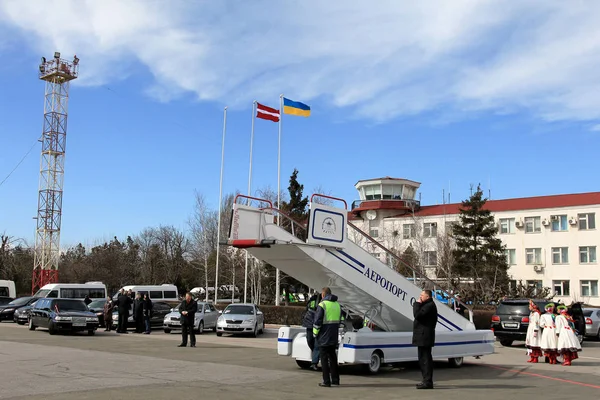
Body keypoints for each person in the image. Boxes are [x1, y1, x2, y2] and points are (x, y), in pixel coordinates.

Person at [313, 287, 342, 388]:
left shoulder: (322, 305)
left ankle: (326, 381)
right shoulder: (338, 305)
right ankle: (335, 380)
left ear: (323, 295)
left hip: (324, 336)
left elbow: (317, 322)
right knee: (333, 358)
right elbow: (339, 321)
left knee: (324, 360)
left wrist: (315, 334)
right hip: (333, 335)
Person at [412, 289, 438, 390]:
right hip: (422, 336)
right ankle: (425, 380)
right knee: (422, 359)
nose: (420, 297)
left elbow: (417, 315)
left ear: (427, 297)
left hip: (425, 336)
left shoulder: (429, 306)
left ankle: (427, 381)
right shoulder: (427, 305)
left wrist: (416, 304)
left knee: (425, 359)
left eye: (422, 295)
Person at [303, 291, 322, 371]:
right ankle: (316, 356)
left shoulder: (324, 302)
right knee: (310, 340)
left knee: (317, 345)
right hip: (310, 324)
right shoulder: (312, 299)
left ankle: (314, 363)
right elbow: (307, 309)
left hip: (318, 325)